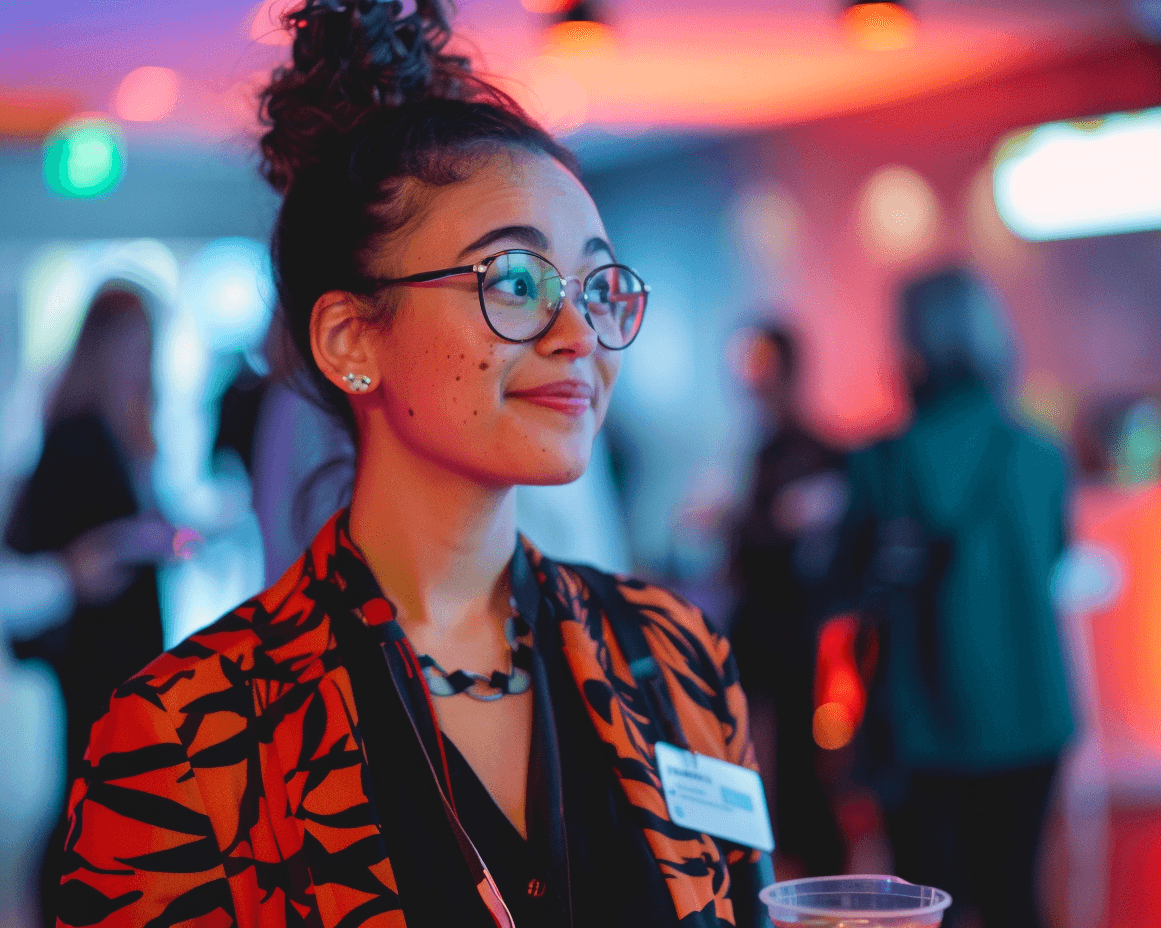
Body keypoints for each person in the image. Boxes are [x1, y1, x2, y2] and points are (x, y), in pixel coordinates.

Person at [56, 3, 772, 927]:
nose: (578, 335)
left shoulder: (673, 653)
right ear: (353, 337)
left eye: (599, 287)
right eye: (515, 281)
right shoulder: (188, 737)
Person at [828, 268, 1073, 928]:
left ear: (911, 347)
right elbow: (1052, 561)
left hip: (920, 724)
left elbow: (845, 587)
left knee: (927, 910)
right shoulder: (1043, 455)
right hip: (1033, 715)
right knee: (1018, 898)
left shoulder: (881, 463)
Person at [5, 282, 177, 927]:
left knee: (103, 793)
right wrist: (78, 571)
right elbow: (53, 550)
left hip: (119, 649)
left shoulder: (122, 428)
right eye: (134, 346)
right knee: (91, 791)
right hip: (96, 653)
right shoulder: (79, 433)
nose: (142, 361)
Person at [728, 323, 847, 876]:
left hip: (802, 637)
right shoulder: (761, 451)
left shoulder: (817, 453)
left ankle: (814, 881)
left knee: (803, 770)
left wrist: (752, 525)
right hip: (763, 633)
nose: (750, 377)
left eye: (759, 362)